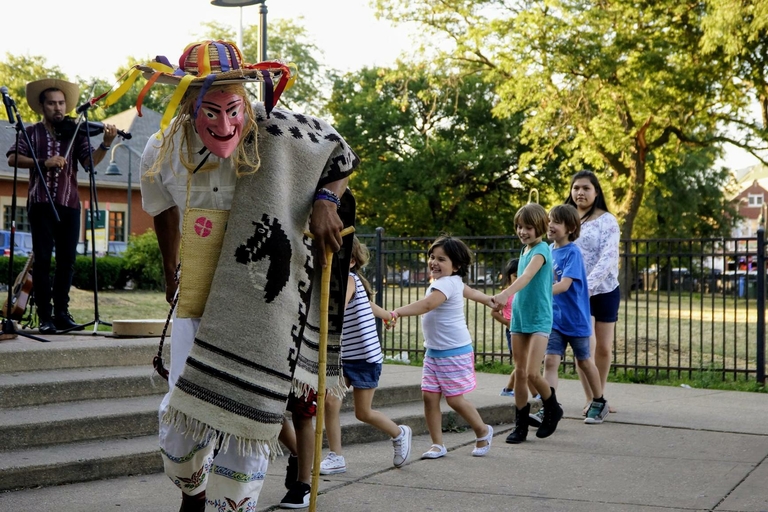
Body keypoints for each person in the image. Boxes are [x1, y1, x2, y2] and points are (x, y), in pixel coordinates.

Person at [135, 41, 358, 512]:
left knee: (247, 419)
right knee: (182, 416)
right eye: (209, 111)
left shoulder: (277, 130)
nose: (224, 124)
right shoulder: (161, 146)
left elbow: (339, 151)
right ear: (187, 98)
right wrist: (167, 266)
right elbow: (160, 209)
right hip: (197, 295)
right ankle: (192, 493)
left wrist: (327, 201)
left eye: (232, 109)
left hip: (260, 296)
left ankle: (231, 506)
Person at [6, 78, 117, 333]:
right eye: (52, 104)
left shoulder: (75, 132)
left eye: (61, 103)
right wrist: (44, 162)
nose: (58, 108)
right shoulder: (31, 132)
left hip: (69, 204)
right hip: (40, 203)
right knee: (43, 261)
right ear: (42, 107)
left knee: (67, 261)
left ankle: (62, 314)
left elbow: (90, 163)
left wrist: (106, 143)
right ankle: (45, 317)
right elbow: (13, 158)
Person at [390, 235, 495, 459]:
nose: (434, 262)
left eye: (441, 259)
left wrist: (397, 312)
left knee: (455, 399)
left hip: (453, 352)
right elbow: (471, 292)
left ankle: (483, 430)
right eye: (431, 257)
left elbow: (428, 305)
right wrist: (488, 299)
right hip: (434, 352)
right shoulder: (449, 282)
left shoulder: (447, 283)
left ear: (456, 265)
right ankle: (437, 444)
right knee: (429, 397)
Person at [319, 236, 412, 475]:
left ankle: (399, 433)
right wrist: (388, 315)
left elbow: (344, 302)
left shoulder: (348, 280)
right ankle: (336, 456)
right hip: (343, 357)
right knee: (331, 402)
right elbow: (369, 306)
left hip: (365, 358)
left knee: (363, 413)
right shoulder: (348, 280)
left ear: (351, 262)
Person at [491, 203, 563, 444]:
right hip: (519, 318)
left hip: (539, 318)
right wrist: (506, 302)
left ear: (540, 227)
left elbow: (527, 276)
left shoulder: (542, 249)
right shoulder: (524, 251)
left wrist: (504, 294)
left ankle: (552, 408)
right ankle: (520, 426)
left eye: (528, 227)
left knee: (533, 373)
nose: (522, 231)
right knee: (520, 374)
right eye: (519, 227)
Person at [543, 204, 609, 424]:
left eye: (556, 222)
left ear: (570, 227)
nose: (550, 225)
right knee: (550, 360)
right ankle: (549, 405)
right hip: (555, 319)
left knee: (584, 362)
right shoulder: (548, 251)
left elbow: (564, 285)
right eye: (549, 220)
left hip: (576, 319)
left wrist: (539, 292)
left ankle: (599, 401)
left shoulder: (572, 252)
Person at [564, 170, 620, 415]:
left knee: (604, 348)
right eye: (576, 188)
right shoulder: (565, 220)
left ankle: (600, 396)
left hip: (605, 290)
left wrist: (589, 284)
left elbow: (609, 256)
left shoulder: (607, 220)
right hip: (575, 292)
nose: (580, 192)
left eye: (586, 188)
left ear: (596, 192)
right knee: (585, 346)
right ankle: (590, 398)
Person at [491, 258, 519, 396]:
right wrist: (507, 322)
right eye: (515, 276)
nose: (518, 278)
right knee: (521, 363)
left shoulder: (528, 292)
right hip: (513, 331)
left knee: (526, 364)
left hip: (528, 330)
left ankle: (509, 389)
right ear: (509, 277)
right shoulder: (507, 294)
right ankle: (511, 389)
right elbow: (494, 312)